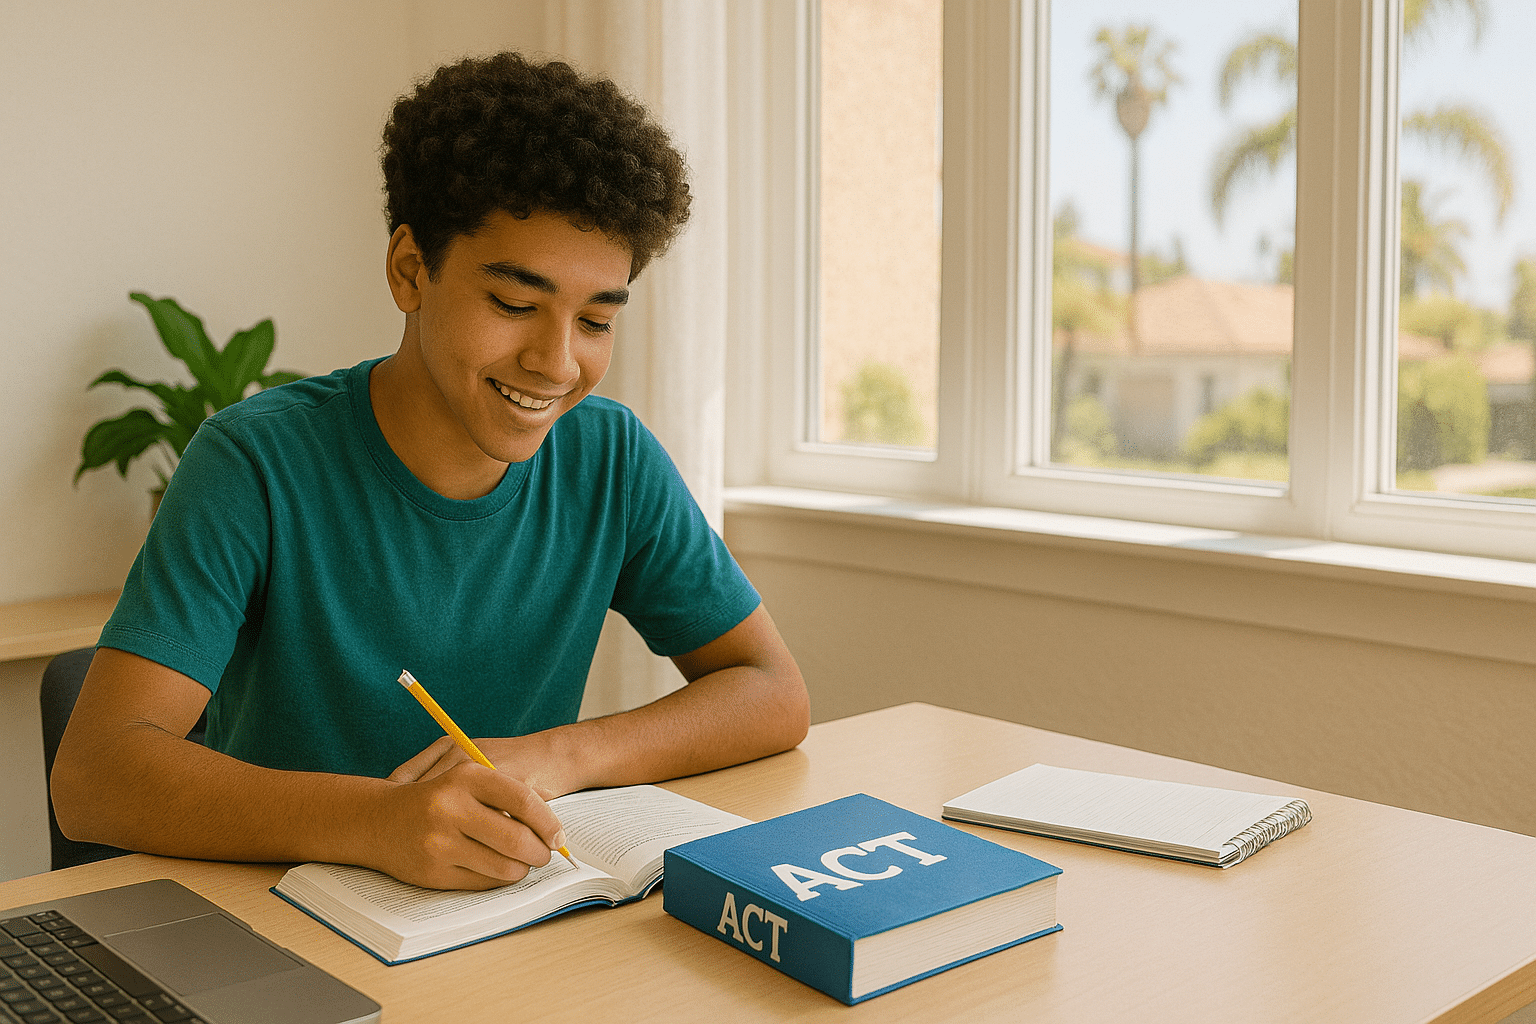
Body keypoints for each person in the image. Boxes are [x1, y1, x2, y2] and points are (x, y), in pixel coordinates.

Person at [51, 52, 809, 891]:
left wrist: (558, 753)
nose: (557, 363)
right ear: (410, 270)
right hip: (279, 920)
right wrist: (379, 823)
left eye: (595, 319)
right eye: (515, 305)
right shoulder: (254, 462)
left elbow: (772, 691)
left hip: (492, 924)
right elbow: (93, 779)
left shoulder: (611, 458)